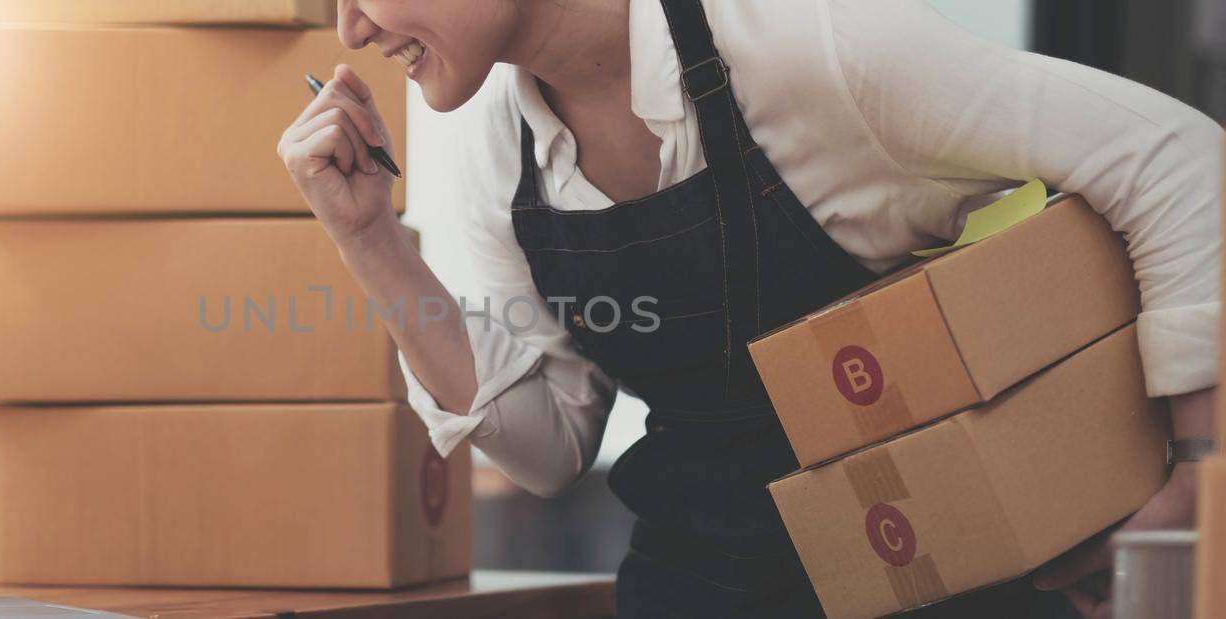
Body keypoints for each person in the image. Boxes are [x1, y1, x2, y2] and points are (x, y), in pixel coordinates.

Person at [276, 0, 1224, 616]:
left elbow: (1183, 161)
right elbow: (545, 446)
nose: (351, 28)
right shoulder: (500, 140)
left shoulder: (808, 45)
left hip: (938, 580)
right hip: (700, 590)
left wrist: (1194, 475)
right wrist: (372, 241)